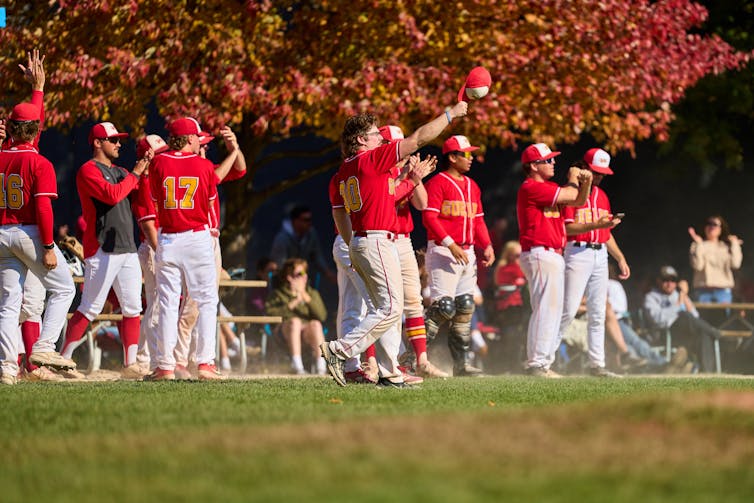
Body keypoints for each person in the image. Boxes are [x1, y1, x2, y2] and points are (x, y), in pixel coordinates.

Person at [321, 100, 469, 387]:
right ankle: (339, 349)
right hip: (377, 241)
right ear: (362, 139)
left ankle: (389, 372)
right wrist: (450, 114)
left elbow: (339, 212)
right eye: (376, 134)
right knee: (389, 309)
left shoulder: (344, 170)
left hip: (362, 241)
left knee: (382, 308)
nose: (381, 139)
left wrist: (352, 244)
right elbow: (419, 138)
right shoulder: (371, 159)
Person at [59, 121, 151, 379]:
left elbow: (138, 196)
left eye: (119, 140)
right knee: (90, 307)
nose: (119, 144)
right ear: (98, 143)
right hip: (102, 248)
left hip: (127, 247)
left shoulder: (122, 171)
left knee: (132, 308)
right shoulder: (87, 170)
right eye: (113, 140)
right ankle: (64, 360)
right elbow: (112, 195)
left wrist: (146, 172)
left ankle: (130, 364)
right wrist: (135, 174)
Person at [0, 98, 77, 385]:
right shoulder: (39, 162)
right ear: (36, 131)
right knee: (64, 288)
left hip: (2, 232)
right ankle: (44, 348)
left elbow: (29, 124)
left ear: (9, 129)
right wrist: (47, 246)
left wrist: (38, 90)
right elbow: (44, 209)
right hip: (28, 232)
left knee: (8, 304)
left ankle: (7, 369)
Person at [147, 117, 223, 381]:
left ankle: (165, 366)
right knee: (207, 300)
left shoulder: (157, 162)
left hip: (167, 238)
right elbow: (211, 204)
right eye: (196, 136)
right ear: (190, 138)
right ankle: (205, 364)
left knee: (167, 303)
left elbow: (156, 199)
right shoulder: (204, 166)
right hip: (196, 237)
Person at [516, 143, 592, 377]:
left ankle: (543, 363)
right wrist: (572, 178)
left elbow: (578, 201)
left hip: (551, 253)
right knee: (545, 309)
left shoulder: (547, 187)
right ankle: (536, 363)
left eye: (551, 160)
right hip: (540, 252)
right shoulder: (531, 187)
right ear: (532, 166)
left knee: (552, 310)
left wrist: (586, 183)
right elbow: (570, 194)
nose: (553, 163)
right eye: (547, 160)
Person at [422, 134, 495, 376]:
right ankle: (413, 356)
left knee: (465, 307)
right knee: (443, 307)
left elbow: (478, 221)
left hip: (467, 252)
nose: (471, 158)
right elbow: (429, 218)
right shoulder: (437, 182)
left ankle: (461, 364)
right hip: (444, 250)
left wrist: (487, 245)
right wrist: (451, 244)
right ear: (452, 157)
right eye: (466, 154)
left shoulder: (472, 185)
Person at [379, 125, 447, 379]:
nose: (403, 150)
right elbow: (387, 197)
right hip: (383, 240)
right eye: (396, 144)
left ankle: (421, 360)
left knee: (413, 301)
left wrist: (415, 178)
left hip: (403, 240)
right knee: (389, 304)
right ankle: (389, 362)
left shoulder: (405, 168)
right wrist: (408, 178)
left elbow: (422, 203)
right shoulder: (377, 170)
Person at [556, 149, 630, 378]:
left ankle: (596, 364)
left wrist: (619, 257)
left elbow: (605, 232)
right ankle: (543, 359)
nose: (599, 177)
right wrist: (596, 227)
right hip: (577, 252)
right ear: (584, 167)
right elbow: (567, 228)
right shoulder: (571, 193)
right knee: (568, 309)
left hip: (600, 255)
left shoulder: (602, 195)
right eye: (595, 172)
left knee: (598, 312)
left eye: (602, 173)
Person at [643, 265, 720, 372]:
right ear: (659, 281)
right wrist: (680, 299)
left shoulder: (678, 295)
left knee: (704, 335)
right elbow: (659, 320)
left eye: (673, 280)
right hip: (665, 333)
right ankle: (712, 331)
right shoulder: (651, 297)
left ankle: (707, 374)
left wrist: (684, 296)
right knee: (684, 315)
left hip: (687, 334)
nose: (669, 283)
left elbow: (695, 316)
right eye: (665, 280)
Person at [265, 258, 327, 375]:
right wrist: (295, 301)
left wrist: (305, 297)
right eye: (299, 274)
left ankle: (321, 367)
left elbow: (322, 316)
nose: (304, 277)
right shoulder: (278, 294)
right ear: (289, 276)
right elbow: (271, 314)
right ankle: (297, 366)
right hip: (284, 332)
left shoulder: (312, 293)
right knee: (295, 322)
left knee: (316, 324)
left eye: (304, 273)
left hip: (306, 334)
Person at [271, 204, 335, 284]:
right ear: (295, 221)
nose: (309, 223)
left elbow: (317, 256)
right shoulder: (281, 239)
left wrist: (327, 272)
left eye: (310, 219)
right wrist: (291, 279)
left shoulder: (311, 233)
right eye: (305, 220)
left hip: (304, 280)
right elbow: (280, 265)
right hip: (285, 282)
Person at [688, 215, 742, 303]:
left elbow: (736, 264)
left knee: (723, 316)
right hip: (703, 290)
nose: (711, 227)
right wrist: (699, 245)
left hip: (723, 291)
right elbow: (698, 266)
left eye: (715, 224)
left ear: (721, 229)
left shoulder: (726, 247)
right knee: (703, 316)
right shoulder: (697, 245)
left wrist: (735, 244)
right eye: (709, 224)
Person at [492, 240, 527, 373]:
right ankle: (512, 366)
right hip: (510, 307)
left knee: (510, 336)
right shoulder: (509, 267)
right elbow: (523, 276)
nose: (520, 258)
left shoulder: (502, 267)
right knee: (513, 337)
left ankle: (509, 365)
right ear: (509, 255)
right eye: (517, 255)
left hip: (507, 307)